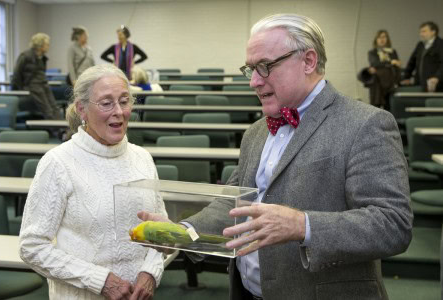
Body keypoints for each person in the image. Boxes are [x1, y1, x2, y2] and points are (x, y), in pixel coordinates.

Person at [139, 14, 413, 299]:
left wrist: (302, 225)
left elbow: (393, 224)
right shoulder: (255, 133)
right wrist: (184, 233)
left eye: (265, 67)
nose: (254, 82)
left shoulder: (365, 124)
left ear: (308, 61)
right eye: (250, 69)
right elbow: (234, 205)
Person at [19, 64, 167, 300]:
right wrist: (101, 281)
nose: (118, 111)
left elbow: (160, 230)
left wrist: (150, 273)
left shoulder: (143, 158)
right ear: (82, 109)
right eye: (106, 103)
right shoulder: (58, 163)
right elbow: (32, 246)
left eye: (125, 100)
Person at [11, 33, 62, 120]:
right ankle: (56, 131)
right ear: (40, 45)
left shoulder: (42, 58)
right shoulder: (25, 56)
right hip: (33, 86)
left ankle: (61, 129)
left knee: (55, 107)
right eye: (47, 44)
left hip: (43, 84)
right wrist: (21, 90)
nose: (48, 46)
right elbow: (16, 75)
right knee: (47, 110)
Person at [402, 21, 443, 92]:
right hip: (420, 83)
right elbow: (412, 62)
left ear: (433, 32)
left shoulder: (440, 44)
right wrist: (406, 77)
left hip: (436, 84)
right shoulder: (420, 45)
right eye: (420, 32)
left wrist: (437, 77)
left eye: (424, 31)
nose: (421, 34)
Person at [367, 30, 401, 110]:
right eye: (379, 37)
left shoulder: (392, 51)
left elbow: (397, 65)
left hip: (390, 82)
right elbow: (375, 63)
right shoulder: (372, 52)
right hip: (377, 82)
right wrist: (391, 62)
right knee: (375, 107)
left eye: (384, 37)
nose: (382, 39)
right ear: (376, 40)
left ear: (387, 39)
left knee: (389, 107)